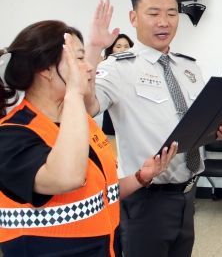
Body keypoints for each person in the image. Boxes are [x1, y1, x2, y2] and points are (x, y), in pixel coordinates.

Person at [85, 0, 222, 257]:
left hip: (188, 193)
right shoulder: (118, 67)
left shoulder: (189, 67)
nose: (164, 22)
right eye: (153, 13)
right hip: (146, 199)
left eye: (172, 13)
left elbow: (193, 122)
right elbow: (86, 105)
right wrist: (93, 50)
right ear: (133, 18)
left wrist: (216, 130)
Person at [0, 21, 176, 257]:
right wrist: (74, 91)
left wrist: (140, 178)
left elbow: (100, 194)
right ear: (45, 70)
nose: (90, 67)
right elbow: (67, 178)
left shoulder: (80, 123)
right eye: (78, 59)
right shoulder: (12, 134)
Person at [101, 33, 134, 136]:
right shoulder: (105, 67)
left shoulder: (137, 68)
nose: (123, 49)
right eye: (118, 46)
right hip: (112, 116)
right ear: (111, 49)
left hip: (132, 117)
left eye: (126, 46)